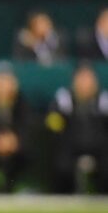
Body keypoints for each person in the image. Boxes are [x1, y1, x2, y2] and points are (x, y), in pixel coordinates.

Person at [45, 64, 108, 194]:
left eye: (88, 79)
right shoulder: (64, 98)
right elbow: (52, 121)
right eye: (81, 79)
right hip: (71, 147)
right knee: (61, 164)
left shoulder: (103, 99)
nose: (85, 84)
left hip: (99, 148)